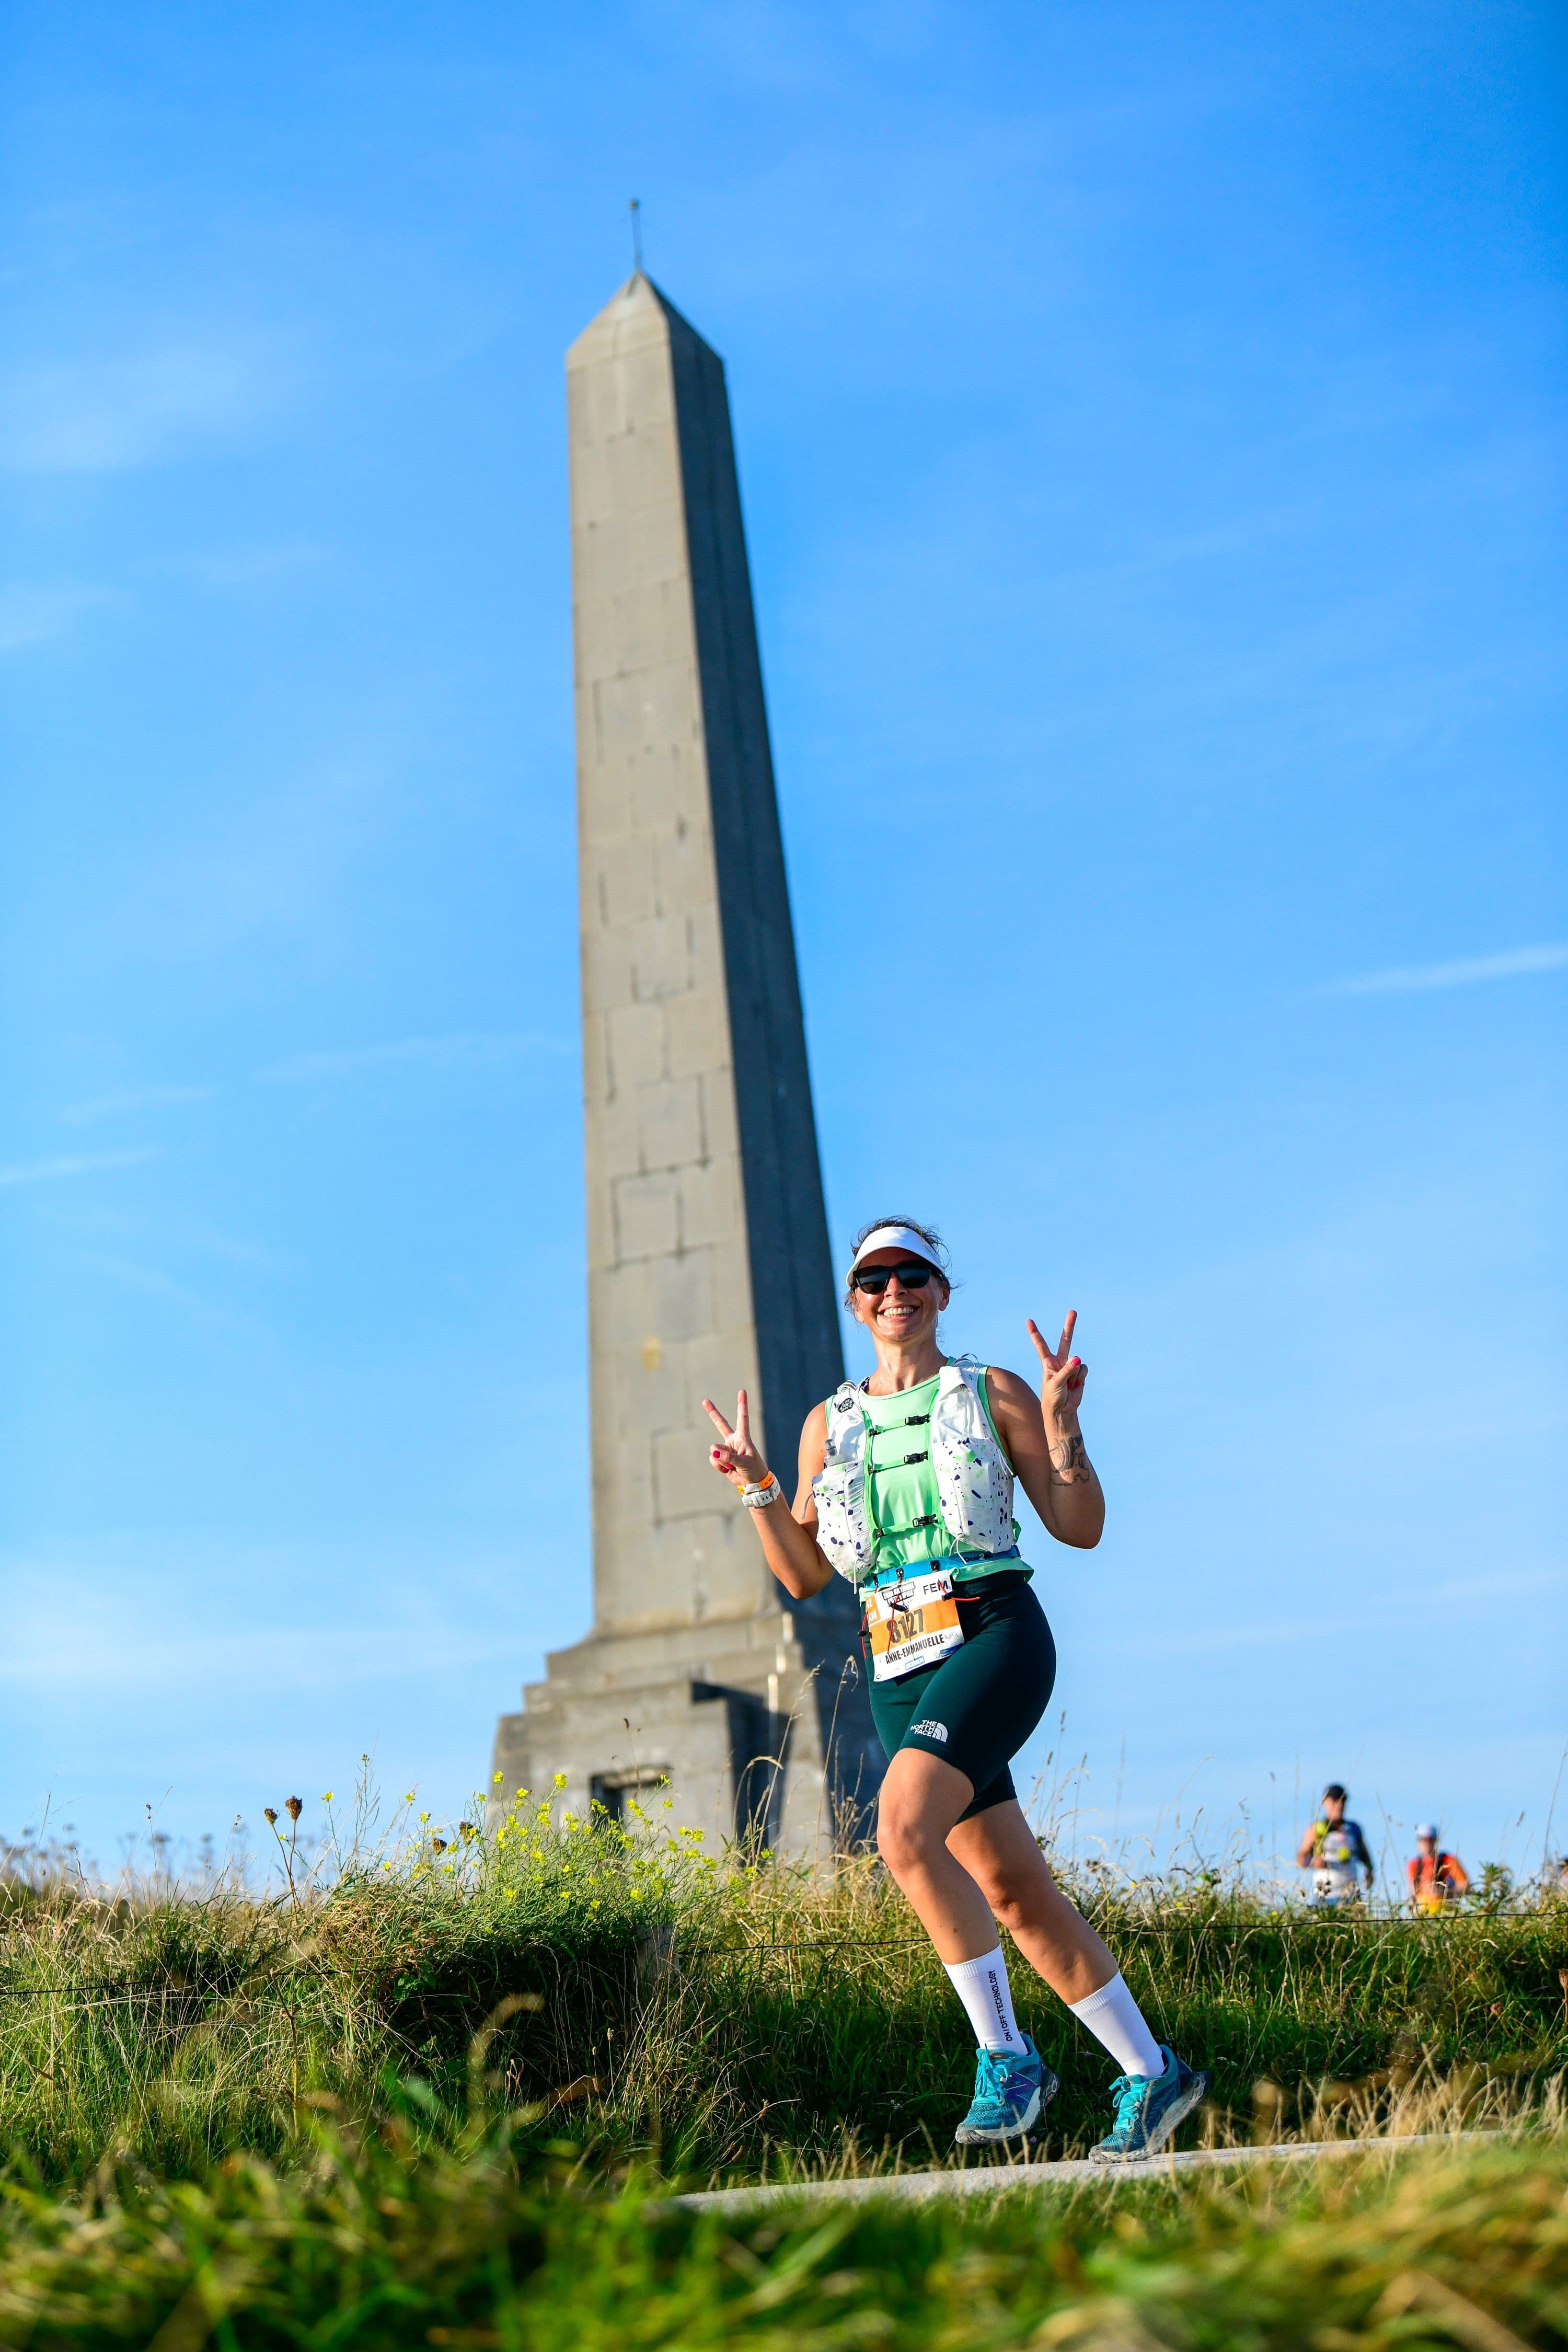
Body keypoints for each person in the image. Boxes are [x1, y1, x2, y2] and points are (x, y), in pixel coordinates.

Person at [703, 1217, 1208, 2162]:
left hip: (991, 1629)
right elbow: (806, 1577)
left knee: (900, 1830)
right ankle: (1152, 2072)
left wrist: (1063, 1427)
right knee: (1014, 1891)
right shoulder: (831, 1422)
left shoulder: (993, 1390)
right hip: (895, 1657)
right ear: (855, 1303)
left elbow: (1079, 1525)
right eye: (872, 1280)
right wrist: (760, 1483)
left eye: (912, 1276)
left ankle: (1006, 2055)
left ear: (941, 1291)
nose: (892, 1292)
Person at [1296, 1784, 1374, 1905]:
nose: (1340, 1805)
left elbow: (1364, 1854)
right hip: (1325, 1896)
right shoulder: (1316, 1829)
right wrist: (1312, 1862)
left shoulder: (1353, 1829)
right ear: (1325, 1802)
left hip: (1351, 1895)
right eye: (1335, 1801)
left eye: (1343, 1801)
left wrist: (1370, 1871)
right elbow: (1301, 1859)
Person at [1406, 1825, 1467, 1912]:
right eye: (1423, 1839)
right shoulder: (1413, 1865)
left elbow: (1466, 1886)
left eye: (1430, 1839)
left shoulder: (1448, 1860)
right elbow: (1413, 1893)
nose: (1427, 1843)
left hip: (1446, 1911)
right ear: (1418, 1842)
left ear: (1436, 1840)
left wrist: (1444, 1892)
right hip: (1423, 1913)